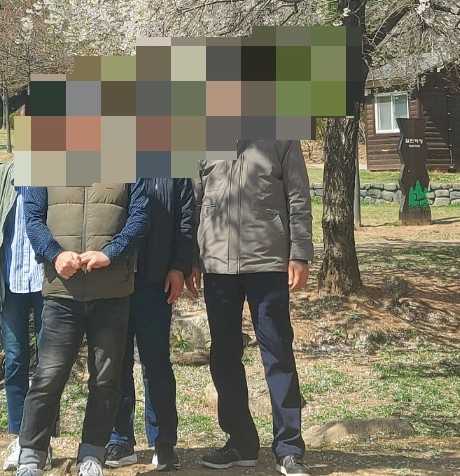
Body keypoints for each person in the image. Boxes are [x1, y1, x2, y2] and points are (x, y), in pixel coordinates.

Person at [193, 141, 313, 475]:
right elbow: (194, 201)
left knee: (277, 355)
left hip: (268, 262)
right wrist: (189, 259)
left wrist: (300, 253)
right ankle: (240, 442)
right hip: (217, 266)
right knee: (224, 356)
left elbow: (298, 196)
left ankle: (289, 449)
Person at [15, 181, 149, 476]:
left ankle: (92, 455)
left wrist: (112, 253)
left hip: (112, 292)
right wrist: (54, 254)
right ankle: (31, 455)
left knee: (105, 379)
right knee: (49, 376)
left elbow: (140, 216)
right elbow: (33, 217)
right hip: (62, 293)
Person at [105, 178, 195, 472]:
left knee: (157, 364)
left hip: (156, 282)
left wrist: (179, 266)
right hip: (113, 279)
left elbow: (185, 217)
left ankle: (163, 442)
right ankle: (119, 439)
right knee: (116, 363)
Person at [0, 160, 46, 470]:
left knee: (49, 367)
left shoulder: (58, 172)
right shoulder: (4, 175)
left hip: (47, 282)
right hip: (10, 282)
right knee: (15, 362)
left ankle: (42, 442)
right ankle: (20, 439)